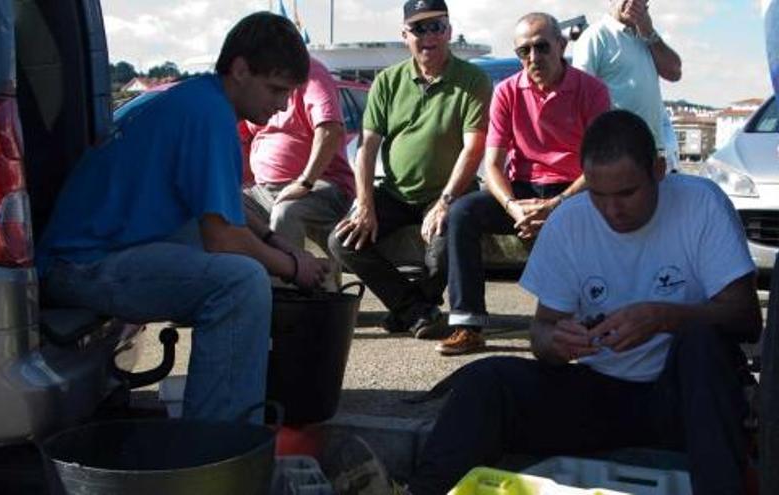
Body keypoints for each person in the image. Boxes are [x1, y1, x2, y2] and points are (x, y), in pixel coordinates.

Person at [408, 110, 762, 495]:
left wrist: (664, 318)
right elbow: (541, 335)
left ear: (659, 171)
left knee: (702, 344)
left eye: (627, 193)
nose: (613, 210)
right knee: (486, 381)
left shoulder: (700, 203)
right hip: (600, 392)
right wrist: (558, 342)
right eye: (598, 195)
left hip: (683, 396)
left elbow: (746, 318)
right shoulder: (570, 221)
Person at [35, 12, 330, 423]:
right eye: (276, 90)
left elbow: (224, 204)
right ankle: (217, 444)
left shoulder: (194, 99)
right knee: (240, 282)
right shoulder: (209, 116)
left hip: (90, 252)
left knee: (253, 261)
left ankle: (232, 404)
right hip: (79, 266)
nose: (282, 106)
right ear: (241, 69)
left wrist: (277, 243)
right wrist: (295, 267)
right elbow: (222, 237)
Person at [437, 12, 610, 355]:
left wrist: (556, 205)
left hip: (574, 190)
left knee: (593, 219)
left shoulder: (592, 91)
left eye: (542, 47)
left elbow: (599, 164)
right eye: (524, 51)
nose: (533, 57)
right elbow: (492, 165)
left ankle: (588, 321)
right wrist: (514, 208)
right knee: (462, 213)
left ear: (561, 46)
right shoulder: (506, 92)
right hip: (523, 192)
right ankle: (467, 324)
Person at [328, 0, 491, 338]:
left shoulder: (473, 80)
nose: (428, 35)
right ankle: (415, 309)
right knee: (342, 240)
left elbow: (474, 147)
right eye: (419, 28)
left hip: (450, 191)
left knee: (448, 241)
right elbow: (366, 149)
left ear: (448, 31)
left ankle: (408, 310)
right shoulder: (387, 81)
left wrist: (445, 201)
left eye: (436, 26)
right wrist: (365, 203)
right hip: (395, 191)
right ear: (405, 35)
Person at [239, 56, 354, 286]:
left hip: (321, 184)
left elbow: (330, 130)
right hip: (264, 189)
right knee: (228, 208)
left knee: (286, 212)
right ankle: (247, 290)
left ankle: (285, 301)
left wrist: (304, 182)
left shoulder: (313, 74)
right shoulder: (261, 81)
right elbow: (244, 138)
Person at [573, 0, 682, 157]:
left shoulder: (647, 37)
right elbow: (580, 98)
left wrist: (650, 34)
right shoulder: (595, 36)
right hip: (614, 150)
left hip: (651, 148)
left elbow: (674, 72)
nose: (632, 3)